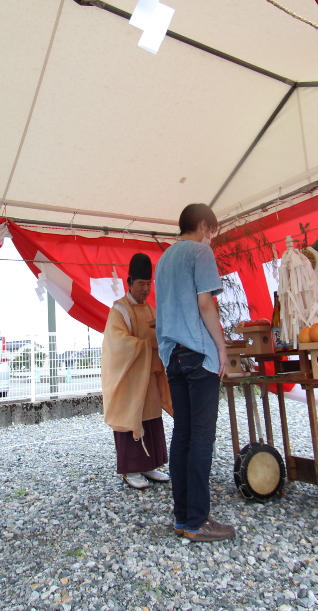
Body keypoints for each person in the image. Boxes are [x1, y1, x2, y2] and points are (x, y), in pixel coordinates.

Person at [155, 203, 235, 542]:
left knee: (183, 436)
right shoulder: (200, 253)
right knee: (202, 437)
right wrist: (222, 348)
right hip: (198, 355)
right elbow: (205, 305)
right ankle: (198, 522)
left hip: (172, 356)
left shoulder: (165, 258)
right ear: (203, 225)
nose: (212, 239)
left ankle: (183, 518)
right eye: (212, 231)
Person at [101, 253, 173, 489]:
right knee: (132, 418)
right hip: (130, 377)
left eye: (148, 284)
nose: (145, 289)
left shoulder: (152, 310)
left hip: (149, 375)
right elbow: (117, 344)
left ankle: (150, 465)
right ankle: (131, 469)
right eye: (141, 284)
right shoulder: (119, 311)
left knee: (151, 418)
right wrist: (146, 345)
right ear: (129, 282)